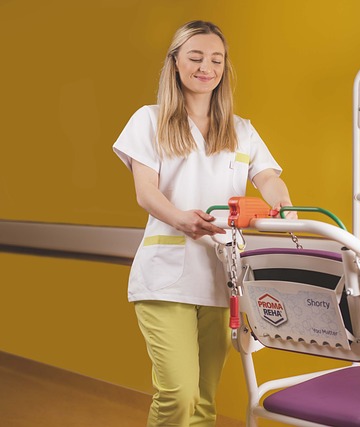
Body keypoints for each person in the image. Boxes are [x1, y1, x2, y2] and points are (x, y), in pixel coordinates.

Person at [113, 20, 295, 427]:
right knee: (179, 395)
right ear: (175, 62)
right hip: (165, 278)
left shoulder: (242, 130)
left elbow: (267, 177)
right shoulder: (149, 120)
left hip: (220, 277)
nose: (205, 67)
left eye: (216, 59)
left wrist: (282, 202)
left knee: (204, 404)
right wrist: (181, 219)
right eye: (195, 57)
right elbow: (146, 191)